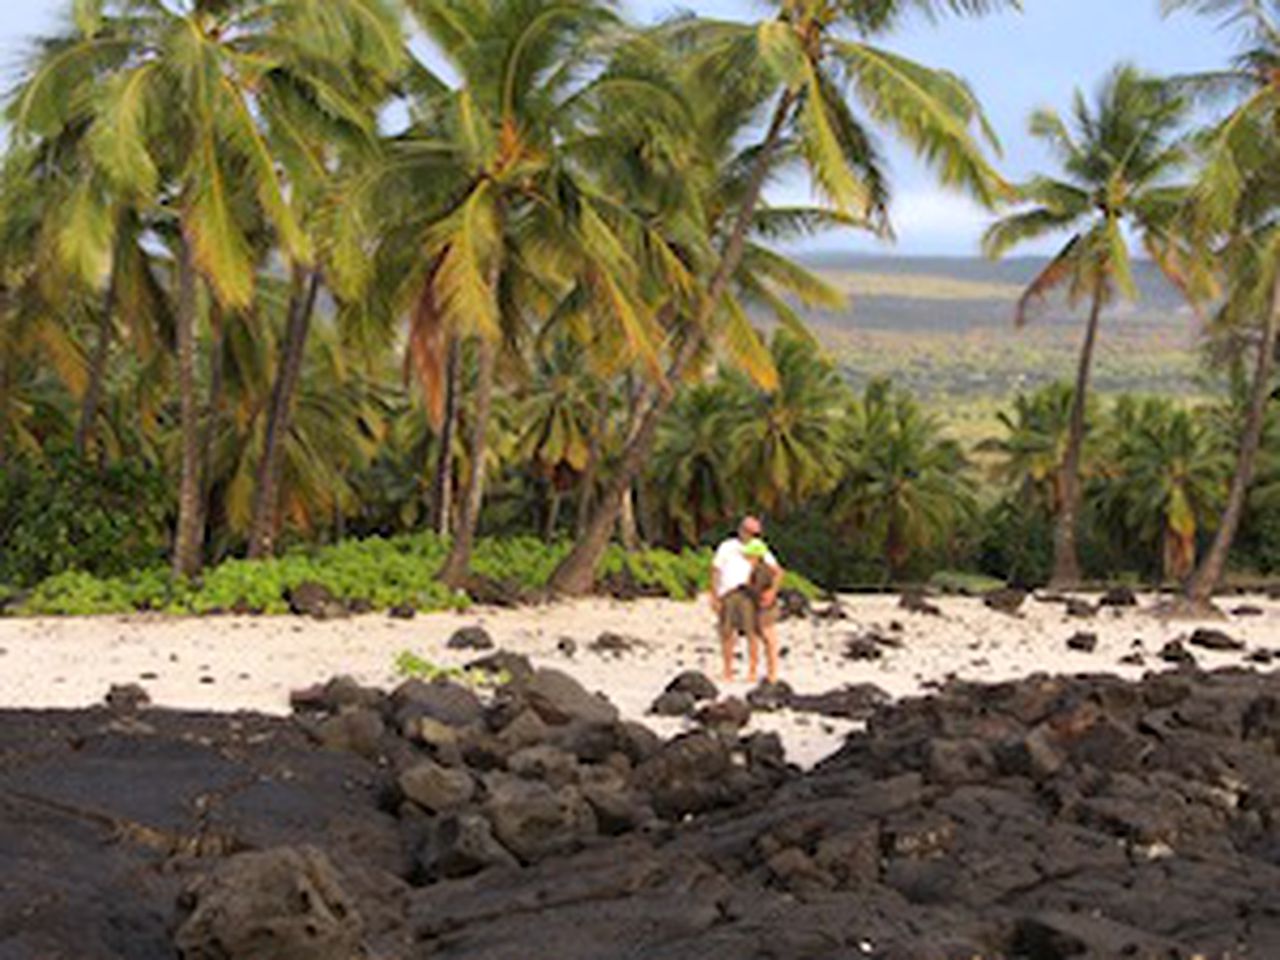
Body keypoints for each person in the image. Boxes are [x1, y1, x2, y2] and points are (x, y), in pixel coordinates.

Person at [710, 516, 782, 682]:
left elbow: (777, 571)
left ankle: (757, 672)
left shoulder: (760, 548)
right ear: (741, 530)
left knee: (757, 633)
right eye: (750, 531)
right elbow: (715, 570)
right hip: (729, 593)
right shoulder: (727, 547)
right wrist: (714, 595)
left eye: (756, 533)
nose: (752, 536)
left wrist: (772, 591)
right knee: (727, 632)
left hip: (751, 593)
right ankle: (727, 670)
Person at [744, 539, 782, 684]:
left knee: (768, 638)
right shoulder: (755, 568)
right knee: (756, 637)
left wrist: (771, 592)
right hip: (757, 605)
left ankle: (771, 672)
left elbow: (777, 575)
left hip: (765, 607)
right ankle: (755, 671)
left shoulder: (765, 568)